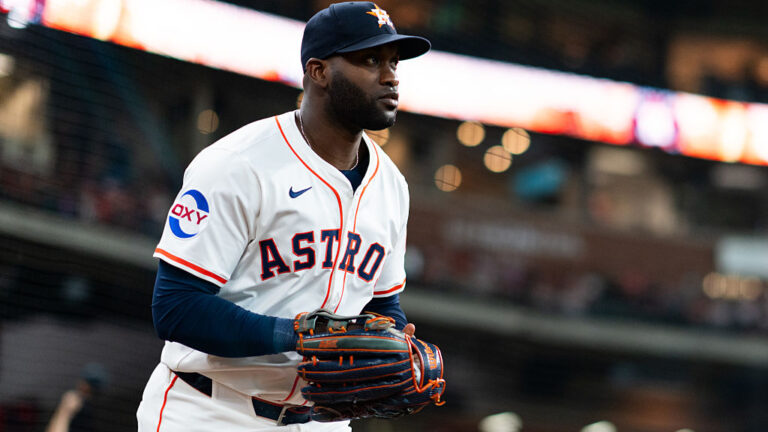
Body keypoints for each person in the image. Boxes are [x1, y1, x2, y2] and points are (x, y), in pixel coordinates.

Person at [135, 2, 431, 431]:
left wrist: (395, 341)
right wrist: (299, 335)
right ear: (318, 71)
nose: (390, 76)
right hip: (210, 408)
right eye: (370, 60)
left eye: (393, 62)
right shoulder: (238, 164)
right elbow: (175, 309)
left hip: (318, 420)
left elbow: (383, 302)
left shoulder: (391, 186)